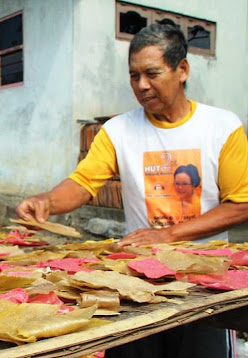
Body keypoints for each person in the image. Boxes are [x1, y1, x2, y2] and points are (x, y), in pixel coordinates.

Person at [16, 23, 248, 358]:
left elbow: (241, 205)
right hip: (138, 282)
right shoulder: (118, 130)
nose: (141, 85)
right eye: (133, 75)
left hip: (205, 283)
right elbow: (83, 183)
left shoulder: (222, 127)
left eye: (152, 73)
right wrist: (46, 201)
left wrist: (169, 235)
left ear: (182, 69)